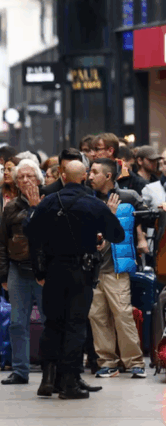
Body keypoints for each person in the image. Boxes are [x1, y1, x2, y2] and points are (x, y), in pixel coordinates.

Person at [25, 160, 125, 400]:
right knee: (76, 325)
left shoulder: (48, 202)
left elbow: (31, 233)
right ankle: (70, 381)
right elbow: (117, 235)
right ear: (83, 177)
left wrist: (40, 271)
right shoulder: (93, 203)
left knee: (53, 324)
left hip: (53, 272)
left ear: (62, 175)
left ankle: (49, 379)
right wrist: (108, 216)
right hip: (81, 270)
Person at [86, 158, 148, 379]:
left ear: (108, 176)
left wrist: (140, 236)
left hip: (116, 267)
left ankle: (134, 362)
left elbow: (144, 217)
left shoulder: (129, 197)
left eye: (94, 172)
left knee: (123, 314)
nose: (89, 176)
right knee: (97, 316)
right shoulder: (87, 199)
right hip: (92, 269)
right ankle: (107, 362)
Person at [0, 160, 45, 385]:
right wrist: (3, 275)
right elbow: (1, 242)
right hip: (17, 268)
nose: (25, 180)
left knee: (49, 320)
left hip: (43, 271)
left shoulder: (48, 202)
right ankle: (20, 370)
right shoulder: (11, 207)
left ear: (39, 179)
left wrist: (36, 208)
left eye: (30, 176)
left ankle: (52, 367)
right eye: (21, 177)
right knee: (17, 322)